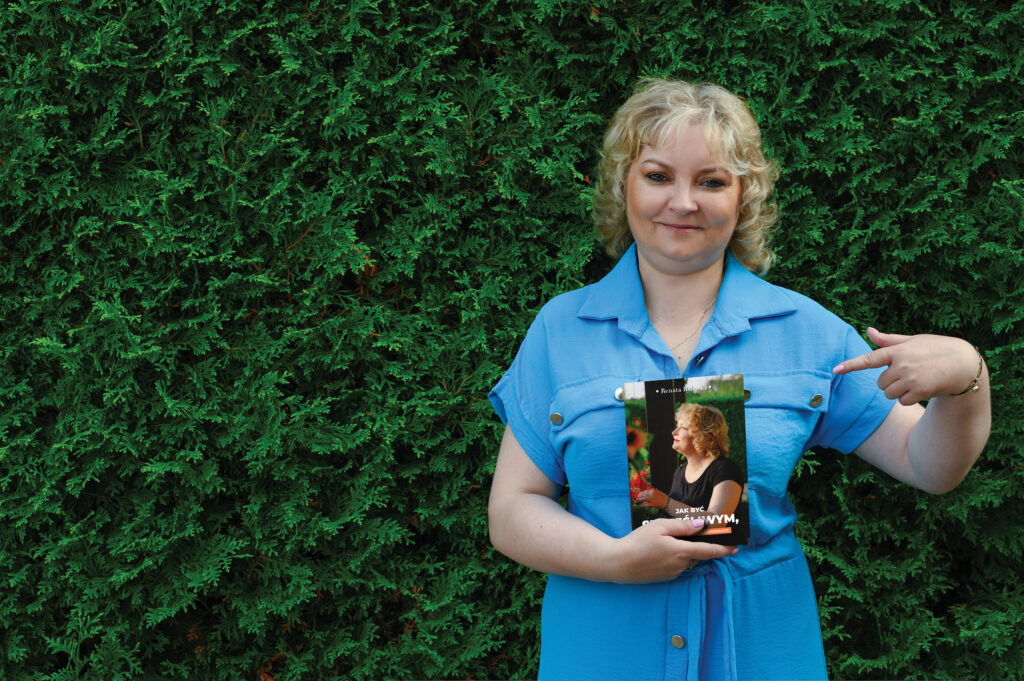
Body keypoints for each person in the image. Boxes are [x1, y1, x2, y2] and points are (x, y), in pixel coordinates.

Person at [487, 78, 990, 681]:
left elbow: (929, 466)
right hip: (603, 655)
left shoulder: (807, 330)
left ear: (743, 196)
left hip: (762, 655)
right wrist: (615, 559)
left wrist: (968, 378)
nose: (683, 202)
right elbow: (511, 510)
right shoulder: (560, 329)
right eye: (657, 176)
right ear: (623, 186)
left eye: (711, 181)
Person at [637, 403, 743, 522]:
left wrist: (666, 503)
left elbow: (716, 521)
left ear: (703, 434)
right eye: (677, 425)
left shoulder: (726, 469)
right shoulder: (680, 471)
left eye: (682, 427)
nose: (674, 432)